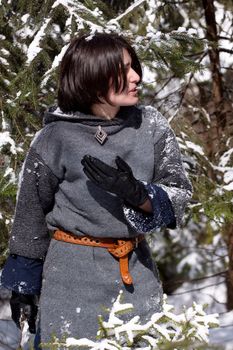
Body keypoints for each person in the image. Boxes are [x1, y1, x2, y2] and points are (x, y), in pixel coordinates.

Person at [1, 32, 192, 348]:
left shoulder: (152, 126)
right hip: (69, 281)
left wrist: (140, 195)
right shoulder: (53, 138)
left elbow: (179, 194)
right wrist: (23, 286)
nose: (136, 77)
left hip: (136, 276)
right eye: (124, 70)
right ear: (93, 76)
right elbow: (29, 217)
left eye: (134, 67)